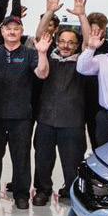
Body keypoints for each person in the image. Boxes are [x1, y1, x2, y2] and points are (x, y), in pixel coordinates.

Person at [0, 15, 50, 210]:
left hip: (21, 116)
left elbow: (42, 74)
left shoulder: (29, 53)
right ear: (2, 31)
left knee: (21, 157)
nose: (12, 31)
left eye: (16, 28)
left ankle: (21, 194)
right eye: (8, 28)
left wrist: (42, 53)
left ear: (21, 32)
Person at [32, 24, 86, 205]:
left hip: (72, 121)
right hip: (46, 119)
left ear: (77, 45)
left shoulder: (83, 63)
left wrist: (82, 16)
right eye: (62, 41)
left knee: (72, 161)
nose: (65, 46)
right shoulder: (48, 59)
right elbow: (39, 36)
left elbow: (88, 43)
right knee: (42, 159)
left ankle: (72, 191)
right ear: (56, 42)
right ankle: (42, 190)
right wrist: (49, 12)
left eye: (71, 42)